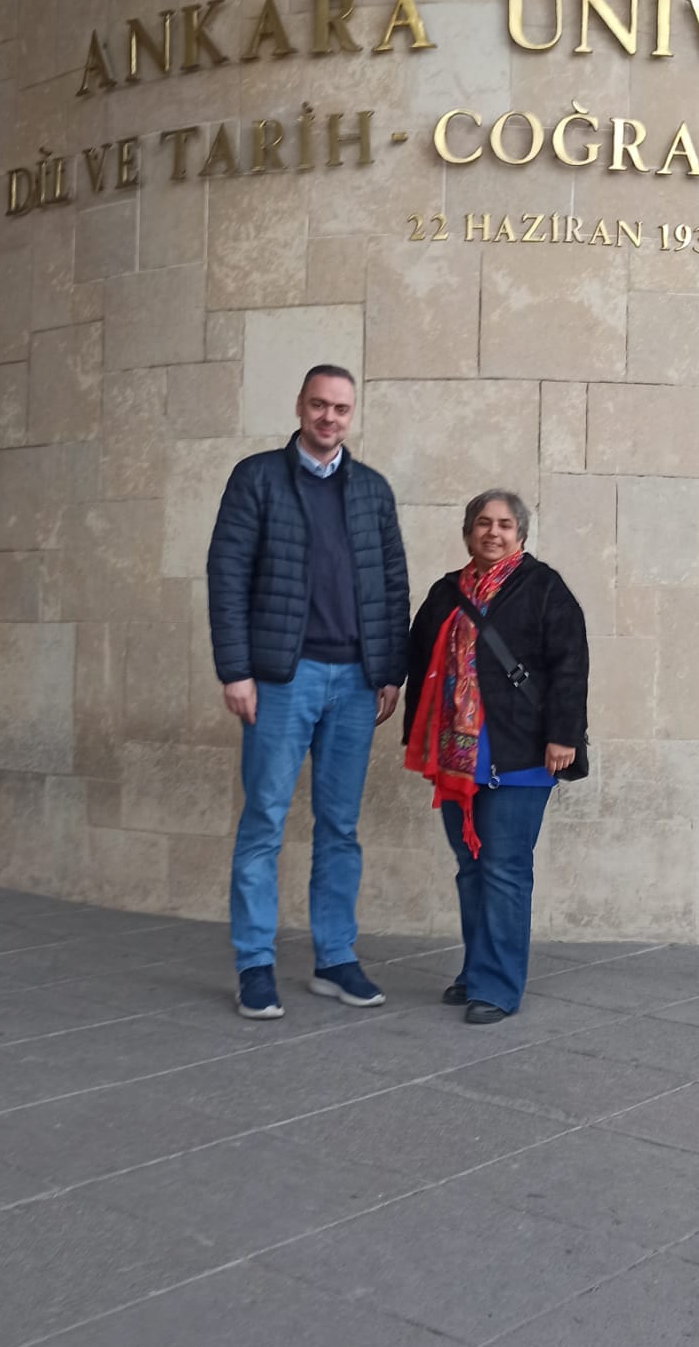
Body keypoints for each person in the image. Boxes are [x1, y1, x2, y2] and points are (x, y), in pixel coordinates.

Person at [207, 365, 409, 1018]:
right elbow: (227, 574)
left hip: (354, 682)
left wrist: (390, 669)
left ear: (352, 415)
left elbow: (393, 584)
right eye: (319, 405)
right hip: (280, 680)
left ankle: (334, 958)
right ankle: (254, 965)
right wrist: (235, 670)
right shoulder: (257, 478)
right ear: (300, 405)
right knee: (264, 821)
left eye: (341, 408)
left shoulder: (372, 490)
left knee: (340, 827)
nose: (329, 417)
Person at [404, 491, 589, 1024]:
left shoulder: (544, 588)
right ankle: (476, 970)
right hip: (456, 758)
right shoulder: (446, 592)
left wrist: (563, 735)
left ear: (520, 535)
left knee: (504, 870)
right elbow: (415, 655)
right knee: (471, 869)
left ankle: (498, 986)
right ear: (468, 533)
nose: (493, 532)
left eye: (505, 524)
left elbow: (570, 664)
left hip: (523, 753)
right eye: (483, 523)